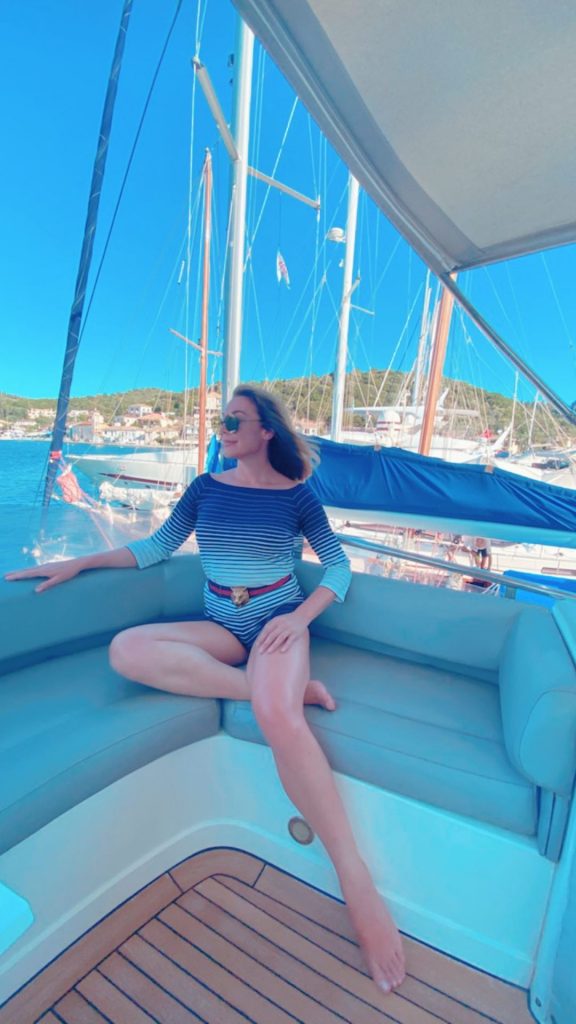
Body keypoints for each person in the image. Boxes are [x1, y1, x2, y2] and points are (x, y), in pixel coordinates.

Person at [5, 385, 406, 994]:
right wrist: (79, 563)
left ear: (266, 430)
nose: (223, 429)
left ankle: (357, 883)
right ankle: (281, 690)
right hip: (221, 622)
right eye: (222, 421)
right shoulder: (204, 489)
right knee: (126, 650)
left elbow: (339, 566)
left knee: (277, 720)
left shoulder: (297, 497)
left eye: (234, 420)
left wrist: (299, 620)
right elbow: (154, 549)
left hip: (276, 620)